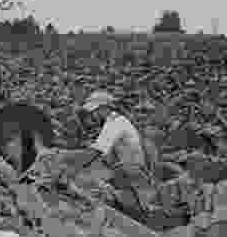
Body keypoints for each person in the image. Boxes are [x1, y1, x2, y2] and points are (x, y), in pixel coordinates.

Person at [57, 90, 158, 221]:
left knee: (90, 192)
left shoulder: (115, 124)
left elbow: (94, 153)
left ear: (105, 108)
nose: (93, 114)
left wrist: (66, 163)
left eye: (96, 110)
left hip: (130, 175)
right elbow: (96, 153)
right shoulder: (113, 123)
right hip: (123, 172)